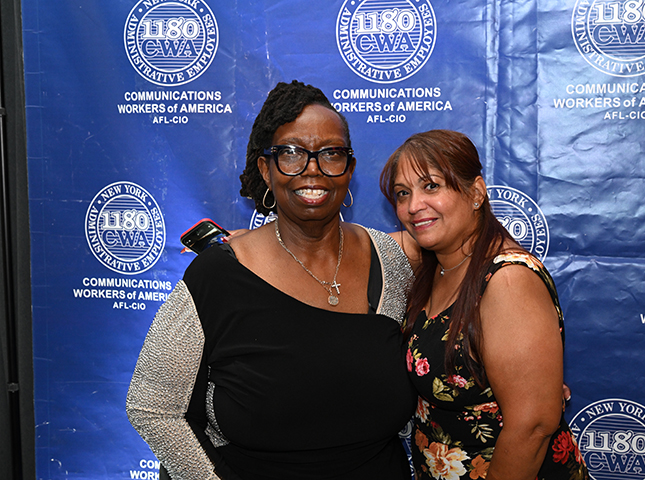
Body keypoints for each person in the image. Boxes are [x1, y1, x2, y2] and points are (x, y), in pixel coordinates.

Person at [126, 80, 417, 480]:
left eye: (330, 153)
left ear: (349, 169)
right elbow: (152, 407)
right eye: (291, 153)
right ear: (265, 169)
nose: (312, 169)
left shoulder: (390, 261)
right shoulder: (219, 275)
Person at [379, 130, 588, 480]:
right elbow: (350, 246)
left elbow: (533, 426)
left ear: (476, 193)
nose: (413, 206)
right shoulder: (435, 264)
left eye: (431, 186)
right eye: (403, 193)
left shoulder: (507, 280)